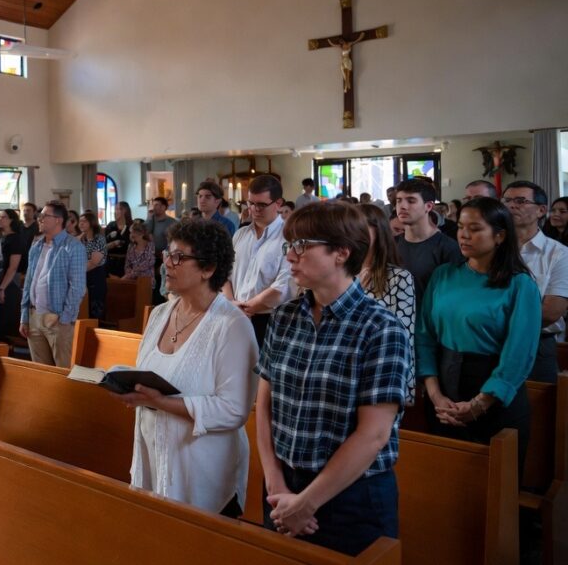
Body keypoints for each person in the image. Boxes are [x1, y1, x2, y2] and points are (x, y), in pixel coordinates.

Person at [255, 202, 412, 556]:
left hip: (352, 495)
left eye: (301, 245)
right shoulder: (285, 316)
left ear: (342, 252)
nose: (290, 256)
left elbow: (372, 435)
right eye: (288, 245)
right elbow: (264, 405)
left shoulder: (380, 327)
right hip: (281, 486)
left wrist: (307, 503)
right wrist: (276, 482)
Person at [116, 219, 257, 515]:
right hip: (155, 461)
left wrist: (162, 403)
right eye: (168, 254)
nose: (167, 263)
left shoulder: (232, 326)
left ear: (208, 269)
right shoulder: (159, 315)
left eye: (179, 257)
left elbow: (233, 410)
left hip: (203, 473)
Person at [416, 197, 541, 473]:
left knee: (494, 490)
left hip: (494, 391)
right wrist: (435, 395)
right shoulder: (444, 275)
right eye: (461, 227)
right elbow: (424, 336)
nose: (464, 235)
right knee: (446, 481)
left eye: (475, 228)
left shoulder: (519, 284)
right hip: (444, 388)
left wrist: (480, 403)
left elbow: (518, 352)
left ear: (499, 235)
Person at [502, 181, 568, 380]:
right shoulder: (491, 246)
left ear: (541, 210)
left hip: (536, 342)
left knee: (535, 407)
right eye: (507, 200)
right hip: (488, 341)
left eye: (520, 201)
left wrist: (488, 317)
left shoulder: (559, 253)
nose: (511, 206)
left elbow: (550, 312)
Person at [358, 204, 416, 401]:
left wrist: (403, 385)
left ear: (379, 231)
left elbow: (404, 337)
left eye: (362, 228)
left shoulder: (399, 278)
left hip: (381, 374)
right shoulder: (339, 274)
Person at [224, 175, 289, 349]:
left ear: (278, 203)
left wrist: (246, 309)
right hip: (234, 314)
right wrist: (232, 304)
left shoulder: (289, 236)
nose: (254, 209)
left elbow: (282, 287)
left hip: (268, 320)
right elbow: (224, 276)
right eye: (251, 203)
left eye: (261, 204)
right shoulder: (240, 235)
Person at [20, 201, 87, 367]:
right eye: (40, 216)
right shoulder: (36, 246)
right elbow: (29, 282)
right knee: (42, 372)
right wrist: (24, 316)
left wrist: (65, 319)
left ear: (58, 220)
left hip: (57, 318)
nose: (40, 219)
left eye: (44, 216)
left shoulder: (73, 246)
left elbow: (77, 287)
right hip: (34, 316)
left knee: (63, 371)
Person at [394, 179, 461, 305]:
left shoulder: (447, 247)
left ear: (428, 206)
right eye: (399, 201)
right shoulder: (392, 244)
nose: (402, 206)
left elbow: (452, 295)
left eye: (411, 201)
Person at [0, 208, 26, 343]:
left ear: (11, 220)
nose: (0, 219)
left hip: (8, 280)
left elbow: (13, 266)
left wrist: (2, 287)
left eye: (3, 217)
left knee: (7, 315)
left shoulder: (15, 239)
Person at [79, 211, 108, 320]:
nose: (81, 224)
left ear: (91, 223)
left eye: (84, 221)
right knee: (84, 308)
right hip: (83, 276)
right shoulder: (82, 239)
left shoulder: (99, 239)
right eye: (80, 221)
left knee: (95, 309)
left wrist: (76, 270)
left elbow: (94, 262)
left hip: (96, 276)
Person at [146, 196, 174, 302]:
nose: (155, 207)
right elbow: (144, 232)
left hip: (162, 257)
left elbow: (172, 241)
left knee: (161, 284)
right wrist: (149, 217)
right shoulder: (150, 220)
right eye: (154, 205)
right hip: (149, 258)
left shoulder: (171, 222)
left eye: (157, 205)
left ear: (164, 207)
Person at [104, 200, 133, 277]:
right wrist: (113, 244)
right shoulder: (111, 225)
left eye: (118, 209)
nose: (115, 212)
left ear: (125, 211)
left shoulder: (132, 226)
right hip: (111, 262)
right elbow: (103, 246)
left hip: (126, 262)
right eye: (115, 209)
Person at [19, 202, 40, 274]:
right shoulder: (19, 227)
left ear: (34, 212)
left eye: (28, 210)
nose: (25, 213)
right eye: (24, 211)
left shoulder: (38, 227)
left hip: (33, 260)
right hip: (21, 260)